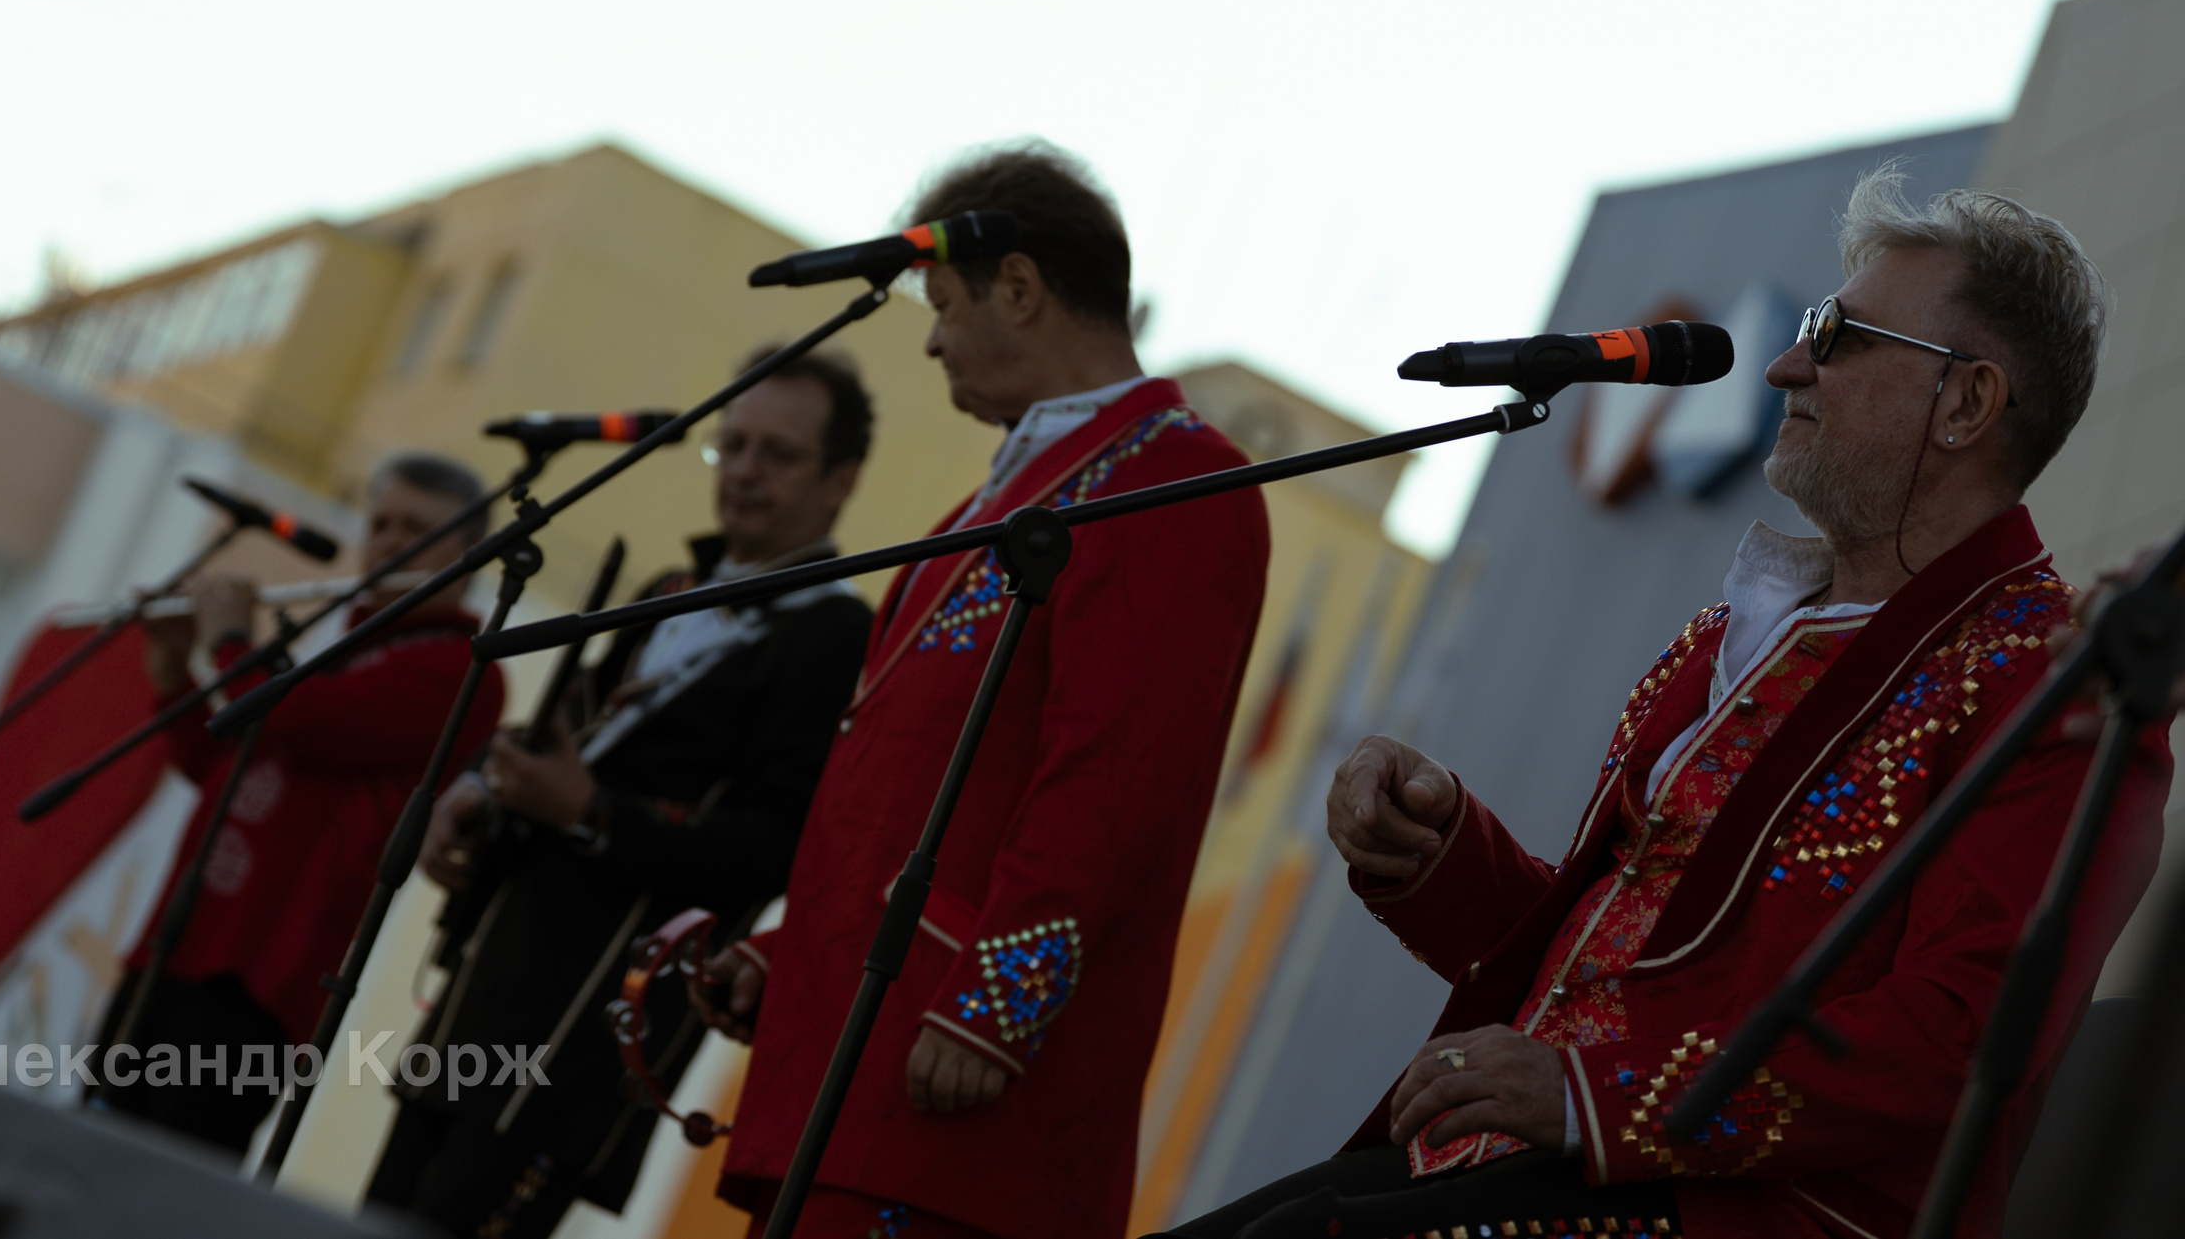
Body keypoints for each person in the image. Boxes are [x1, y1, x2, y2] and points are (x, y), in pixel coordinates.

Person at [1166, 170, 2175, 1239]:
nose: (1787, 364)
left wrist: (1594, 1100)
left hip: (1742, 1213)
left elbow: (1957, 1034)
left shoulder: (2056, 678)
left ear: (1965, 402)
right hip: (1526, 1170)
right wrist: (1436, 851)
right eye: (1806, 325)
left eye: (1837, 336)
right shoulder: (1727, 639)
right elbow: (1615, 965)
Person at [697, 143, 1272, 1239]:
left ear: (1016, 286)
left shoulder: (1181, 481)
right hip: (859, 1054)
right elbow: (914, 788)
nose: (929, 340)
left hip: (952, 1085)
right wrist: (793, 951)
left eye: (943, 305)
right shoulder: (983, 507)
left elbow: (1115, 779)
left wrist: (992, 1008)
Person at [365, 352, 877, 1237]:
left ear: (841, 479)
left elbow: (774, 847)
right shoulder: (666, 590)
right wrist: (479, 785)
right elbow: (568, 731)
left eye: (779, 454)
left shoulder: (835, 634)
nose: (745, 470)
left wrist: (591, 813)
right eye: (733, 445)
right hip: (492, 982)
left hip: (592, 1027)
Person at [94, 453, 506, 1155]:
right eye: (381, 523)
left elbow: (298, 719)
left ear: (471, 555)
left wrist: (231, 640)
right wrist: (172, 677)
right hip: (177, 944)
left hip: (260, 978)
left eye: (418, 529)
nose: (390, 542)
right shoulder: (340, 642)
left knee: (169, 1170)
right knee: (86, 1153)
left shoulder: (462, 670)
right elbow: (226, 773)